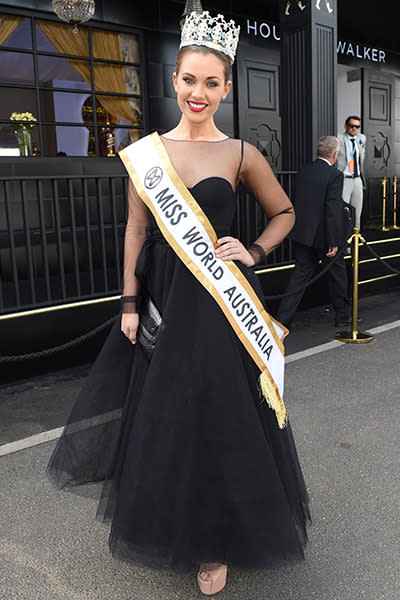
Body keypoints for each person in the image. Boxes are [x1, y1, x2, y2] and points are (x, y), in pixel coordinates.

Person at [47, 11, 310, 596]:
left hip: (222, 303)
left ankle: (216, 541)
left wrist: (256, 250)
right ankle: (177, 525)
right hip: (167, 298)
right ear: (174, 80)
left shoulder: (240, 152)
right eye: (190, 80)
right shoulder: (147, 155)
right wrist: (129, 302)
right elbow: (135, 231)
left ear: (226, 89)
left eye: (211, 83)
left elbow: (285, 212)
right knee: (168, 416)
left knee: (222, 414)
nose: (199, 92)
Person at [277, 136, 351, 328]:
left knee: (299, 277)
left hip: (302, 234)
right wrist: (334, 240)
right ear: (335, 155)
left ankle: (282, 321)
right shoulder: (335, 175)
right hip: (324, 237)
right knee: (337, 274)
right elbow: (332, 209)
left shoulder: (303, 171)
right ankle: (342, 316)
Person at [337, 116, 366, 228]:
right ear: (346, 126)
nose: (354, 128)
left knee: (357, 212)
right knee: (344, 211)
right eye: (351, 126)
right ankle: (344, 243)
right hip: (345, 179)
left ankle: (355, 243)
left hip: (357, 179)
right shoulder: (339, 138)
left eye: (357, 126)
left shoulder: (362, 138)